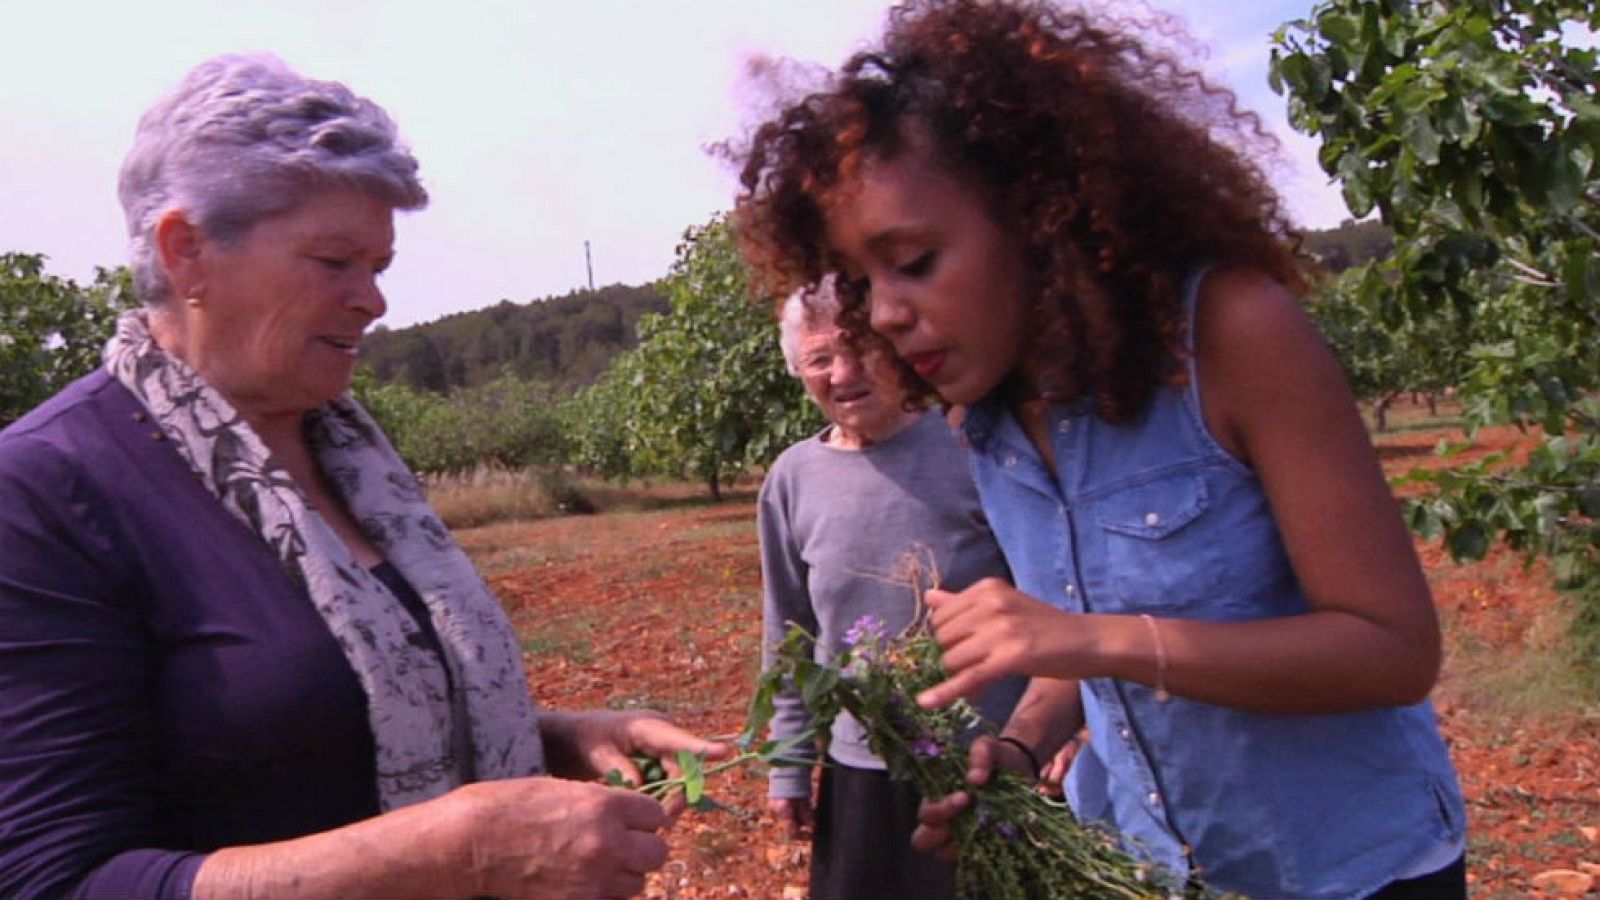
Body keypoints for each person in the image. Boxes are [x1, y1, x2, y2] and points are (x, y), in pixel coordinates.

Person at [727, 2, 1468, 898]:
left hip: (1340, 873)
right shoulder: (987, 418)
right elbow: (1076, 648)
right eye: (861, 281)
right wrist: (1018, 743)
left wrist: (1089, 639)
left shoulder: (1229, 337)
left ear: (1038, 216)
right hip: (1148, 873)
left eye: (914, 261)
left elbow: (1389, 651)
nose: (881, 313)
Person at [0, 53, 725, 900]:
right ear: (187, 251)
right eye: (333, 261)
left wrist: (558, 737)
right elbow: (57, 880)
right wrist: (460, 853)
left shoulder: (351, 459)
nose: (372, 300)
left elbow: (309, 731)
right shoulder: (49, 491)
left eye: (377, 267)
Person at [759, 278, 1024, 900]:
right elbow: (789, 634)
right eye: (819, 358)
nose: (843, 372)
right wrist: (789, 766)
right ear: (798, 370)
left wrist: (1055, 735)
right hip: (860, 766)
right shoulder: (792, 479)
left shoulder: (974, 447)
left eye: (862, 348)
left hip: (983, 758)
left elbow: (1047, 605)